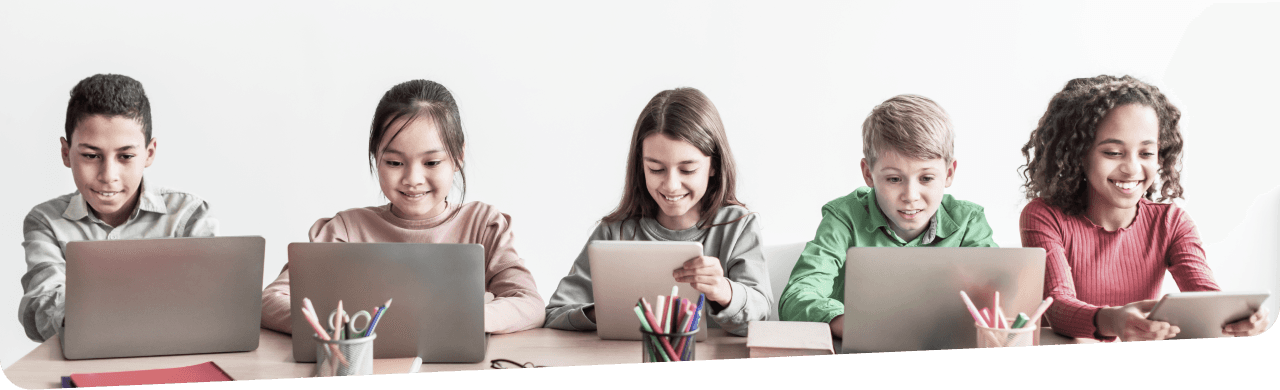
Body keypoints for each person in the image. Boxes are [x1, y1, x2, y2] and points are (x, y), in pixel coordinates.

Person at [259, 79, 544, 334]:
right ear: (375, 158)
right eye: (394, 163)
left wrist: (463, 319)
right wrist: (343, 326)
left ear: (458, 156)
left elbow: (529, 303)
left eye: (431, 163)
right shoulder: (344, 231)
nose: (412, 180)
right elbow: (271, 301)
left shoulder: (483, 224)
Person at [1018, 75, 1269, 341]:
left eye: (1146, 153)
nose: (1132, 169)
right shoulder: (1044, 215)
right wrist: (1114, 320)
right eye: (1113, 153)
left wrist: (1237, 318)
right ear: (1078, 154)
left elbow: (1206, 296)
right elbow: (1056, 306)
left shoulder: (1172, 223)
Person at [543, 87, 771, 336]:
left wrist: (724, 291)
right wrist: (607, 312)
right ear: (641, 166)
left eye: (687, 170)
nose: (671, 185)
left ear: (713, 165)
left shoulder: (737, 226)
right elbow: (556, 312)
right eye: (656, 169)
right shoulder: (615, 232)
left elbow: (761, 315)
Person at [20, 74, 218, 342]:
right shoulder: (47, 221)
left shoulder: (187, 214)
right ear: (66, 153)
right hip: (86, 362)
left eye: (125, 156)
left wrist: (100, 313)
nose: (108, 175)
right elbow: (42, 306)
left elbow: (212, 300)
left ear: (149, 153)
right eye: (91, 156)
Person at [778, 94, 996, 338]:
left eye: (926, 178)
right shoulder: (844, 219)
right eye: (894, 179)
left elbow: (1000, 297)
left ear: (948, 173)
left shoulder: (969, 222)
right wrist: (859, 325)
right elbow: (797, 297)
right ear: (868, 174)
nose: (911, 195)